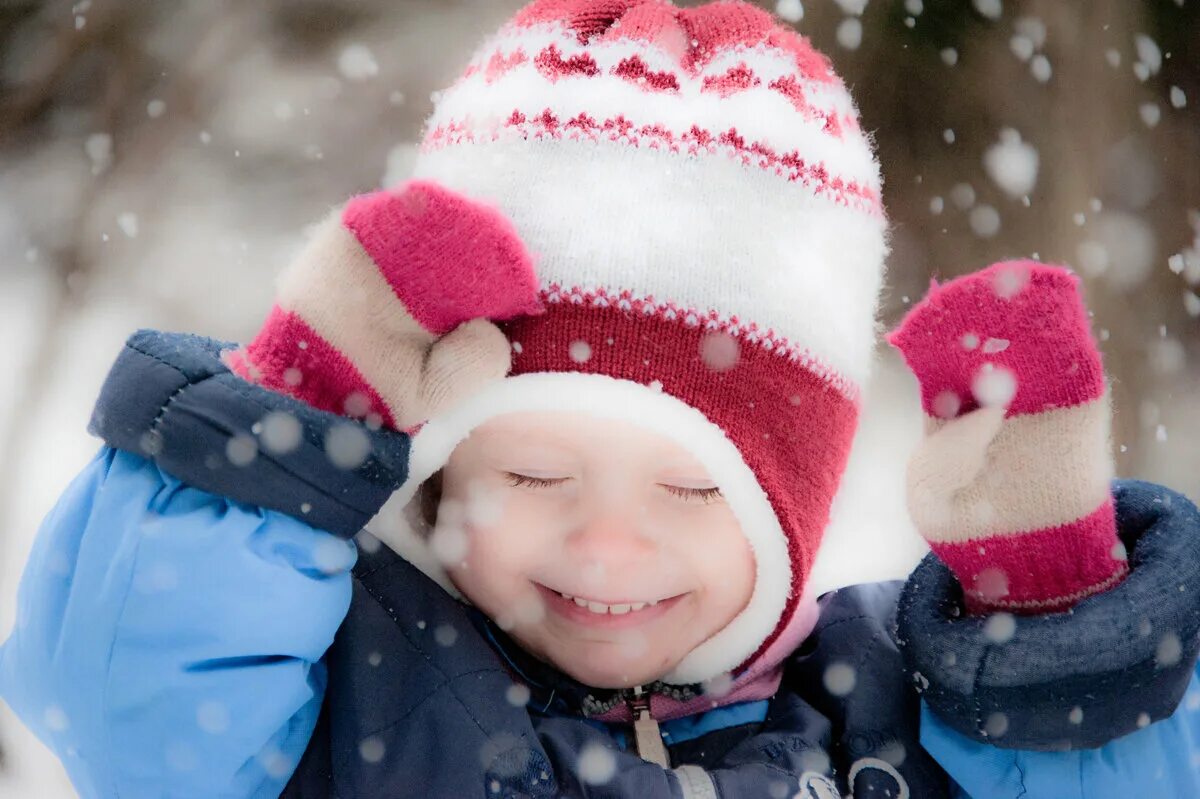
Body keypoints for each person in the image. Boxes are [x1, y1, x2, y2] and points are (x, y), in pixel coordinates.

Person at [3, 1, 1199, 796]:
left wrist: (1050, 617)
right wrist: (293, 425)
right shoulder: (336, 681)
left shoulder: (880, 716)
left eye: (695, 485)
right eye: (532, 474)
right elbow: (131, 711)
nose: (611, 541)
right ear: (439, 464)